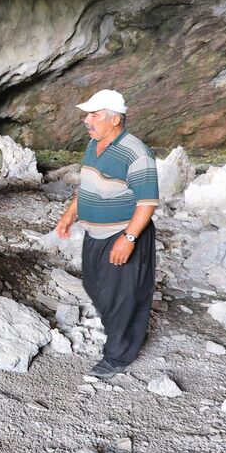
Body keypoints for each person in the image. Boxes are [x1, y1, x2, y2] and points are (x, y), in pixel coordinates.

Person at [55, 88, 159, 380]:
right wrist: (69, 214)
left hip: (123, 233)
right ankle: (120, 332)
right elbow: (87, 186)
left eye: (94, 115)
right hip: (95, 233)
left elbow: (147, 202)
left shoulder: (136, 152)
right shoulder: (95, 144)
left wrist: (128, 238)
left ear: (115, 120)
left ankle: (117, 356)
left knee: (122, 296)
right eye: (87, 115)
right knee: (94, 285)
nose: (87, 120)